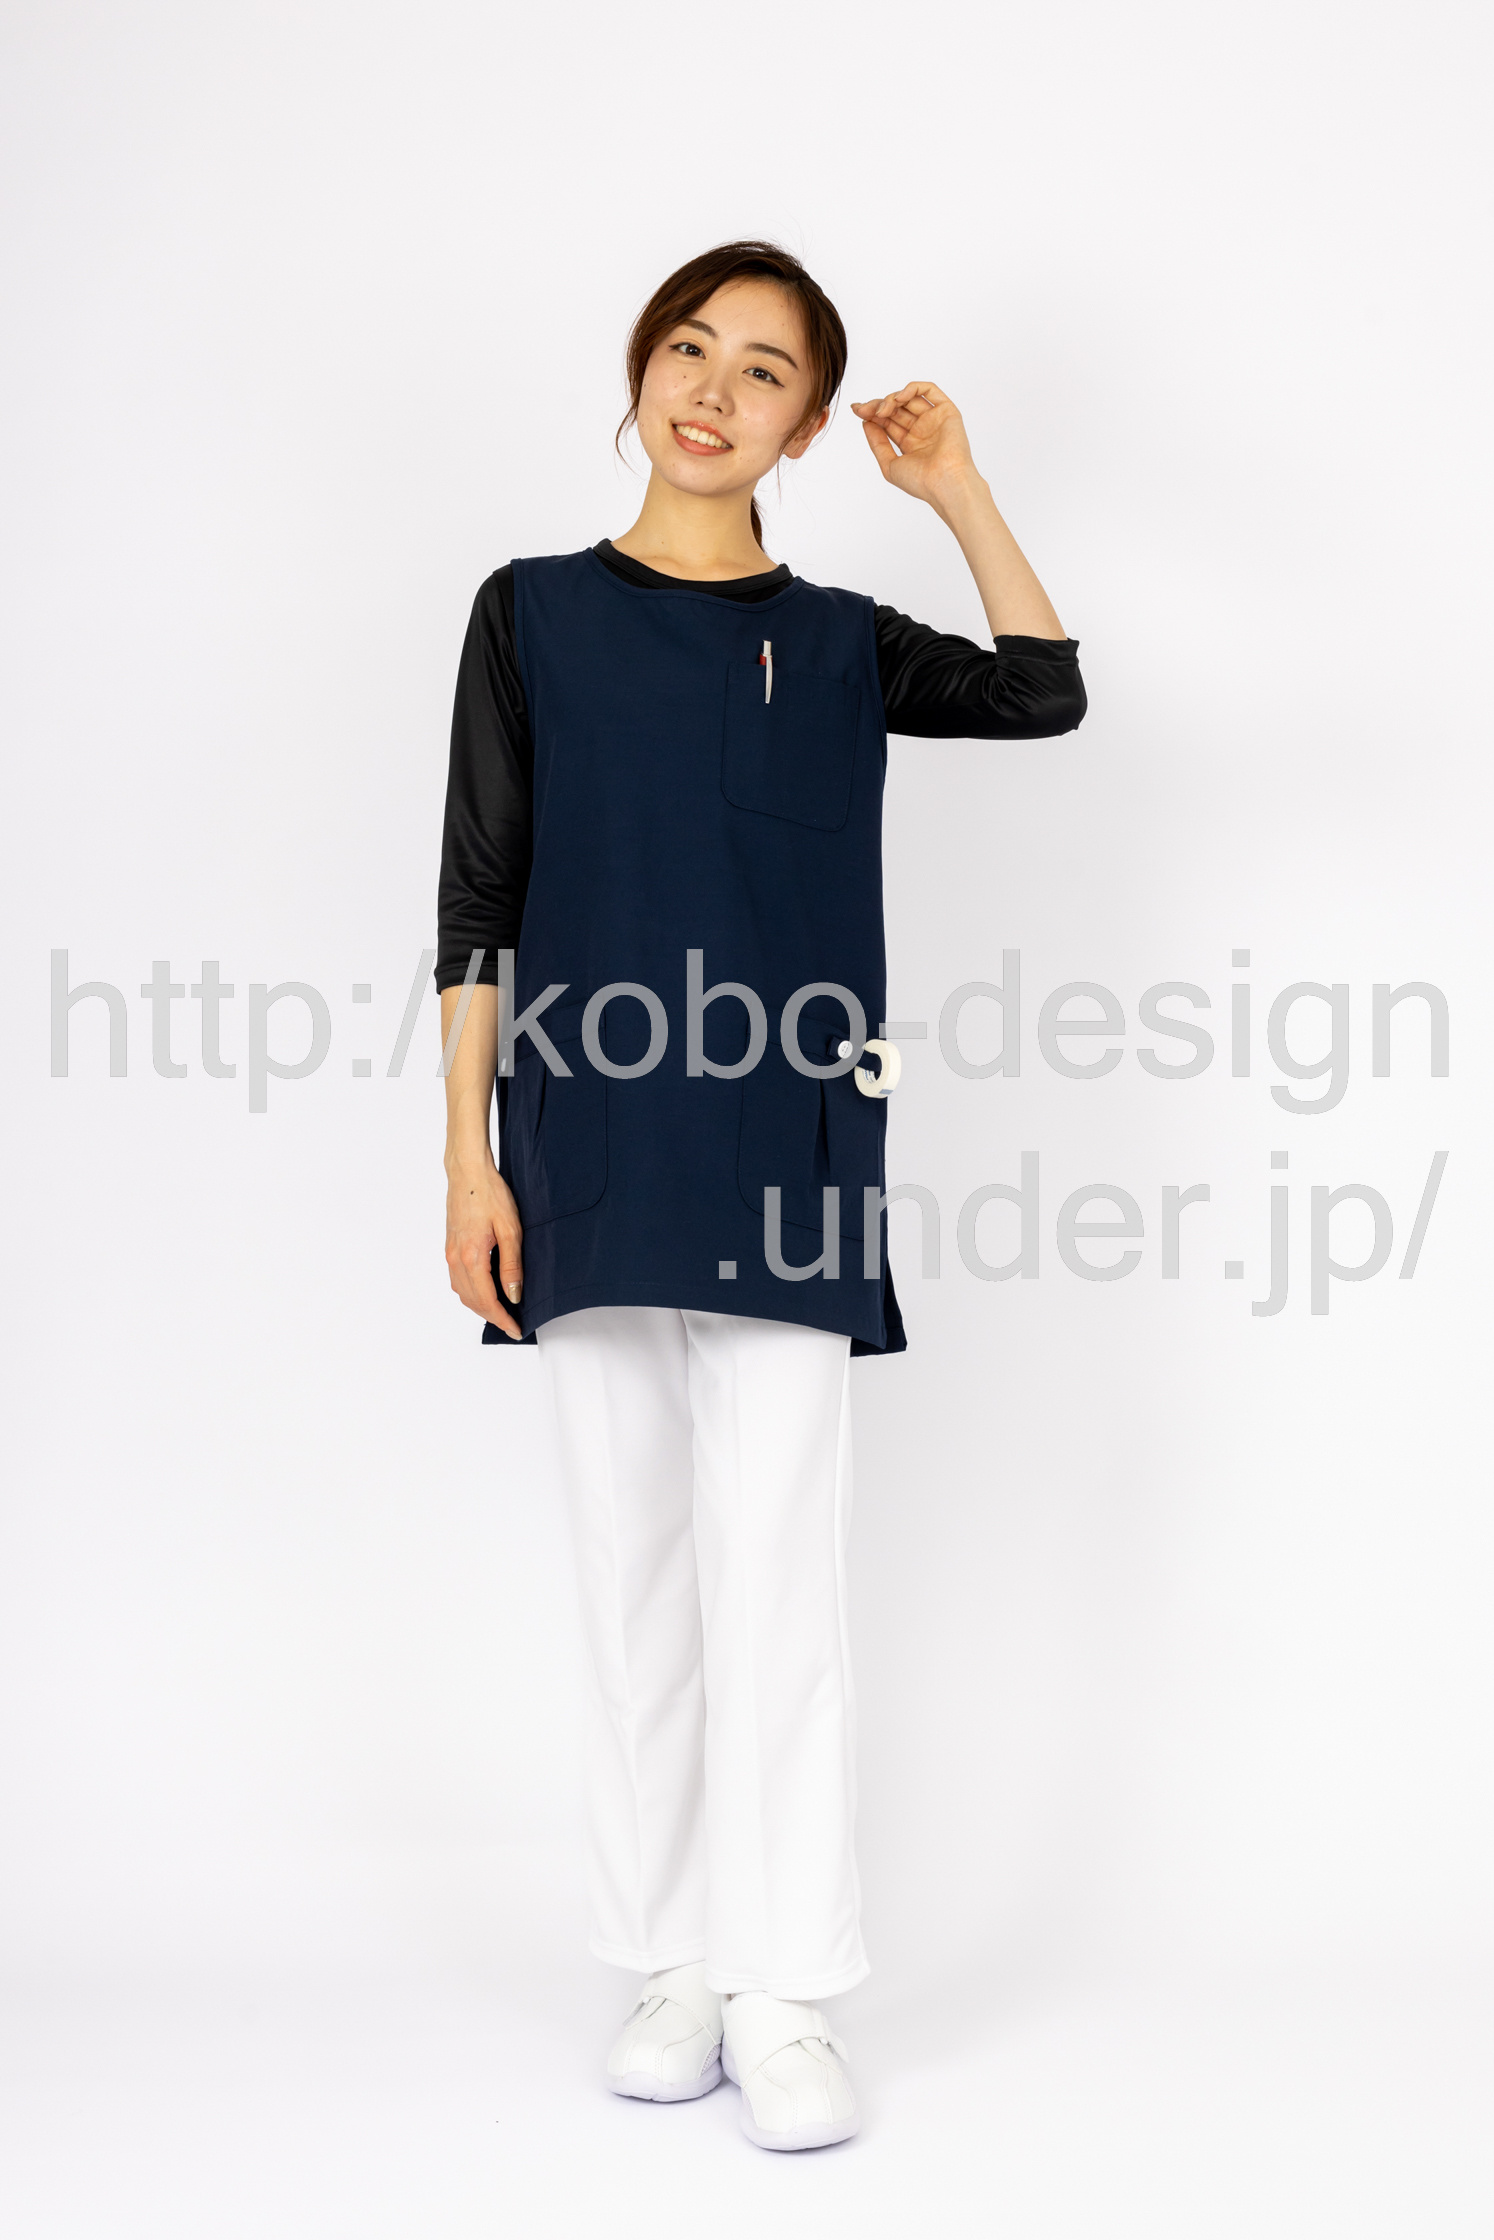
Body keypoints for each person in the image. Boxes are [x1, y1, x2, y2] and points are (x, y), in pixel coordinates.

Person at [435, 241, 1085, 2152]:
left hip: (788, 1154)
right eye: (689, 348)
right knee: (629, 1573)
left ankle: (784, 1988)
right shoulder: (529, 615)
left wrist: (953, 484)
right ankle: (670, 1965)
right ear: (642, 368)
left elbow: (1041, 695)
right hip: (583, 1147)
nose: (712, 389)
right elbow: (478, 895)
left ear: (805, 428)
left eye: (766, 371)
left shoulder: (843, 643)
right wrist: (466, 1156)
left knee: (776, 1576)